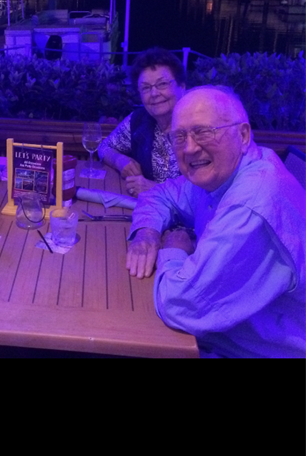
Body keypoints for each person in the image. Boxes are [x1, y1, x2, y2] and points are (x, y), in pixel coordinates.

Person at [126, 85, 306, 359]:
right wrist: (147, 232)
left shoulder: (251, 204)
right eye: (179, 136)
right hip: (220, 338)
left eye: (203, 132)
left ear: (243, 135)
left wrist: (174, 251)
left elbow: (179, 305)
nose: (189, 148)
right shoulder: (223, 173)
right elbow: (161, 194)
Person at [98, 48, 187, 197]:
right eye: (146, 88)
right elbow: (104, 147)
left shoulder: (198, 127)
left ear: (181, 87)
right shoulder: (140, 120)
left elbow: (205, 195)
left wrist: (154, 189)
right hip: (149, 213)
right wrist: (121, 161)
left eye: (162, 84)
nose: (154, 93)